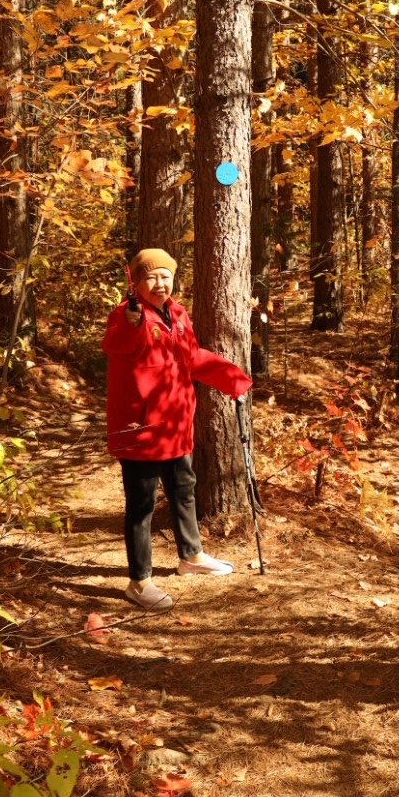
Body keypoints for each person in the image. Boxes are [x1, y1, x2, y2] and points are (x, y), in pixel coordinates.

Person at [102, 248, 252, 611]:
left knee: (184, 491)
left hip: (176, 425)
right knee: (141, 506)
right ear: (135, 282)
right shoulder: (126, 316)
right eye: (151, 277)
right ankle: (139, 582)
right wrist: (133, 322)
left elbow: (191, 357)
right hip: (140, 429)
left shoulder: (178, 314)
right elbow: (116, 342)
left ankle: (191, 556)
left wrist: (232, 379)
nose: (159, 283)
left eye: (165, 276)